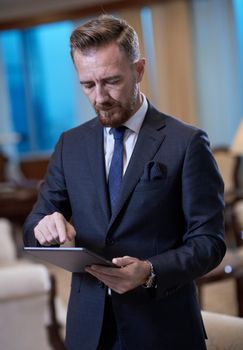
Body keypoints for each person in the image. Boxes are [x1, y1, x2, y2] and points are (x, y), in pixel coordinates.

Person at [23, 14, 226, 350]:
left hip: (164, 330)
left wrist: (149, 270)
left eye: (111, 81)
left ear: (139, 70)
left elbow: (209, 242)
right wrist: (45, 226)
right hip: (88, 332)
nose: (99, 97)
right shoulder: (69, 145)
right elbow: (32, 226)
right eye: (88, 85)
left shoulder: (187, 143)